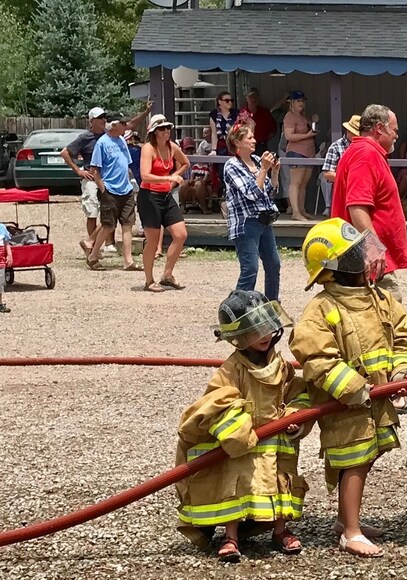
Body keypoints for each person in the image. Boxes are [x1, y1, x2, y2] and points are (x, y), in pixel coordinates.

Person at [290, 218, 407, 558]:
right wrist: (354, 389)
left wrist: (404, 369)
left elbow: (405, 335)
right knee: (354, 462)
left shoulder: (381, 299)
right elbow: (315, 357)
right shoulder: (322, 308)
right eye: (356, 255)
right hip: (347, 406)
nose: (366, 259)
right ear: (338, 265)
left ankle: (346, 518)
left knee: (367, 457)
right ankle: (351, 531)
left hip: (376, 402)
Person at [175, 290, 308, 563]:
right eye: (255, 330)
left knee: (281, 483)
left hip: (277, 441)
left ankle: (280, 531)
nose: (265, 335)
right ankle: (231, 536)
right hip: (244, 443)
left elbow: (297, 392)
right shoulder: (231, 368)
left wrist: (295, 416)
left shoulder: (281, 365)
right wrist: (238, 430)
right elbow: (217, 403)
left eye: (268, 327)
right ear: (237, 337)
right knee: (235, 488)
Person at [332, 104, 407, 301]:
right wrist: (373, 248)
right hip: (367, 261)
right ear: (379, 128)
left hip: (365, 259)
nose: (396, 136)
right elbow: (357, 206)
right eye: (394, 130)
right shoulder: (366, 154)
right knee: (391, 314)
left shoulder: (364, 151)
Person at [224, 123, 282, 301]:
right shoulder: (231, 166)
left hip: (264, 221)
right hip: (245, 223)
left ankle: (272, 306)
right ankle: (236, 309)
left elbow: (270, 193)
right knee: (250, 269)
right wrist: (264, 169)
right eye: (249, 138)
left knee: (273, 265)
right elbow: (251, 194)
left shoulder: (257, 161)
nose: (254, 140)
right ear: (237, 142)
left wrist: (274, 173)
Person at [139, 114, 189, 292]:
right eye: (161, 129)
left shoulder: (172, 146)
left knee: (181, 234)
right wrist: (169, 177)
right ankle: (149, 280)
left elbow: (185, 163)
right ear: (154, 132)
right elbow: (145, 175)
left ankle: (167, 275)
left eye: (167, 128)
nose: (166, 131)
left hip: (166, 195)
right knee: (152, 241)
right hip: (149, 196)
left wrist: (174, 180)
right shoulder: (148, 148)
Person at [85, 115, 140, 272]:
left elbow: (127, 165)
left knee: (128, 225)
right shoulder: (102, 143)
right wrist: (103, 189)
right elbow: (94, 170)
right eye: (123, 123)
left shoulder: (122, 141)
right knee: (108, 226)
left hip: (126, 189)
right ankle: (93, 256)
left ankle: (128, 261)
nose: (126, 126)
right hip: (110, 189)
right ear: (114, 126)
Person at [63, 107, 113, 256]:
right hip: (91, 179)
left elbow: (128, 125)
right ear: (91, 121)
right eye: (100, 118)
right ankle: (91, 248)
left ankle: (105, 244)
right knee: (92, 212)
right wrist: (78, 171)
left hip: (106, 179)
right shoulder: (85, 138)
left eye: (105, 117)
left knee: (109, 211)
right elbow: (65, 153)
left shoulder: (108, 136)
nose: (104, 120)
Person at [282, 91, 317, 221]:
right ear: (291, 102)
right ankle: (295, 211)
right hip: (297, 152)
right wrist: (307, 136)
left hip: (309, 152)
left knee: (303, 183)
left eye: (302, 100)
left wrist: (314, 122)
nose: (301, 103)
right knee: (295, 182)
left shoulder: (303, 116)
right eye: (298, 101)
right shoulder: (289, 117)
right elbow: (289, 136)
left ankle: (302, 210)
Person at [320, 115, 361, 217]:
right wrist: (349, 180)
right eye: (356, 133)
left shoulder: (363, 147)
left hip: (360, 191)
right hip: (341, 191)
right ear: (348, 131)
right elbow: (327, 173)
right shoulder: (335, 147)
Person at [243, 88, 276, 154]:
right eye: (250, 97)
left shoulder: (265, 113)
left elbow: (273, 130)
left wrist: (263, 139)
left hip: (261, 145)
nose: (253, 99)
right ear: (246, 98)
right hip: (246, 145)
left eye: (255, 97)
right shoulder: (242, 113)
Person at [209, 91, 239, 156]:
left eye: (231, 100)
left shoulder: (236, 113)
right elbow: (214, 133)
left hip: (232, 144)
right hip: (221, 145)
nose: (230, 102)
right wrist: (214, 150)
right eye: (227, 100)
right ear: (219, 102)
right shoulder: (214, 114)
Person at [0, 222, 10, 313]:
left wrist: (9, 254)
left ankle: (0, 304)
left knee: (0, 283)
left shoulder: (2, 227)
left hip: (1, 261)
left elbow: (6, 242)